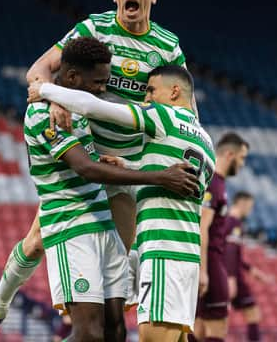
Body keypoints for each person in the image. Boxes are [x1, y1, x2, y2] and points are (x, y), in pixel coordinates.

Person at [0, 0, 188, 337]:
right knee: (36, 242)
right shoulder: (93, 29)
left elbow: (182, 103)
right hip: (83, 155)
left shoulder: (167, 46)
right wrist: (54, 97)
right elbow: (39, 70)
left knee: (112, 304)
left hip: (127, 165)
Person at [28, 64, 215, 342]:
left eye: (151, 90)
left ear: (175, 91)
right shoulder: (206, 141)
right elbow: (169, 192)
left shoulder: (164, 116)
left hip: (163, 252)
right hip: (186, 257)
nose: (146, 98)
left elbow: (95, 108)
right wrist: (128, 166)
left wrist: (44, 89)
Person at [192, 133, 249, 342]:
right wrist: (204, 271)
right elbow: (202, 227)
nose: (242, 164)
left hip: (210, 263)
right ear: (229, 154)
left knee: (197, 329)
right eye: (241, 158)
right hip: (211, 263)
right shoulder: (214, 183)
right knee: (217, 329)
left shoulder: (218, 183)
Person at [224, 191, 273, 342]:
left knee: (209, 318)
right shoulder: (233, 222)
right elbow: (229, 251)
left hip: (228, 272)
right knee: (252, 313)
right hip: (231, 275)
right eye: (249, 206)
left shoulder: (229, 221)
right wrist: (231, 278)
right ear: (242, 203)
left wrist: (253, 271)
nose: (249, 210)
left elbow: (235, 255)